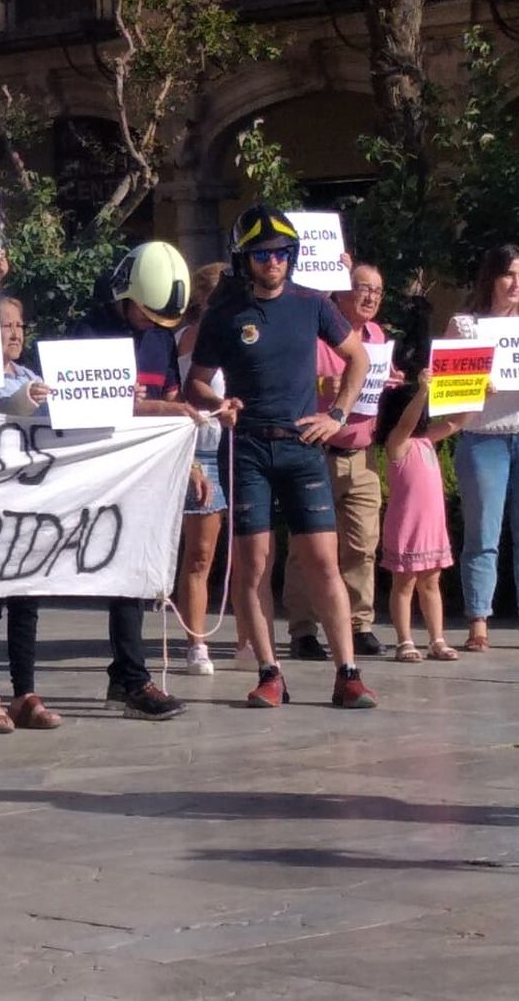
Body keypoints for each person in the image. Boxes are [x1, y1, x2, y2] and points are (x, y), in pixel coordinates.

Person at [186, 204, 378, 709]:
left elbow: (358, 357)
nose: (273, 262)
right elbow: (197, 381)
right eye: (262, 254)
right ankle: (271, 671)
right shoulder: (224, 313)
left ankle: (348, 672)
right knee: (253, 564)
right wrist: (217, 402)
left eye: (281, 254)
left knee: (322, 561)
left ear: (292, 256)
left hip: (302, 445)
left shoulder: (313, 303)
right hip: (247, 446)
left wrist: (337, 413)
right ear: (244, 259)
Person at [59, 242, 196, 720]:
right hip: (92, 472)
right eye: (148, 313)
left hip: (146, 475)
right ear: (127, 295)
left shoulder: (161, 339)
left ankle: (130, 677)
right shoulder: (87, 332)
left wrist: (190, 460)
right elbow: (73, 404)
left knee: (134, 576)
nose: (155, 326)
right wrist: (147, 405)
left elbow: (173, 406)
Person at [447, 244, 519, 652]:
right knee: (482, 534)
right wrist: (473, 386)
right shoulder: (467, 326)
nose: (515, 283)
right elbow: (446, 394)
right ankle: (479, 621)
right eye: (507, 275)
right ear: (491, 278)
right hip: (484, 440)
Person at [281, 261, 393, 660]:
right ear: (340, 292)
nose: (370, 297)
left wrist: (391, 381)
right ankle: (304, 630)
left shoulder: (377, 337)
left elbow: (378, 383)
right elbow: (289, 382)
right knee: (307, 547)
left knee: (363, 544)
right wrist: (321, 386)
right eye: (363, 287)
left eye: (378, 291)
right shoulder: (315, 335)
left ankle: (359, 624)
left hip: (362, 455)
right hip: (317, 453)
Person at [0, 295, 60, 734]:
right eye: (5, 326)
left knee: (26, 601)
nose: (16, 333)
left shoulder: (32, 376)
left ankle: (25, 692)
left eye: (20, 325)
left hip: (31, 502)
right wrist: (22, 403)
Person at [377, 347, 461, 663]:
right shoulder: (397, 444)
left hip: (431, 527)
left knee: (431, 582)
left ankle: (437, 639)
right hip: (407, 526)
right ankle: (405, 640)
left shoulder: (426, 442)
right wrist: (423, 392)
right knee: (404, 583)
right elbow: (406, 424)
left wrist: (482, 396)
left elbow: (455, 423)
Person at [174, 262, 228, 675]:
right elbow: (179, 397)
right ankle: (196, 643)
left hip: (236, 448)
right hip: (198, 448)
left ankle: (249, 643)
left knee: (241, 555)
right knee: (198, 553)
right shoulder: (189, 338)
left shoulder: (243, 337)